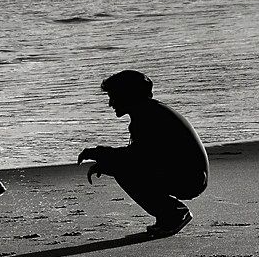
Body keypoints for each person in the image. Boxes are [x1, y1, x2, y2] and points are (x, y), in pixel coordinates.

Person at [78, 70, 209, 237]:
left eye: (113, 97)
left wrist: (100, 155)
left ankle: (174, 214)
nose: (110, 103)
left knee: (122, 168)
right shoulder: (150, 111)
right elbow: (142, 156)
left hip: (190, 178)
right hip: (190, 175)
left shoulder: (148, 117)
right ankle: (169, 215)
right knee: (121, 166)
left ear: (127, 95)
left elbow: (138, 157)